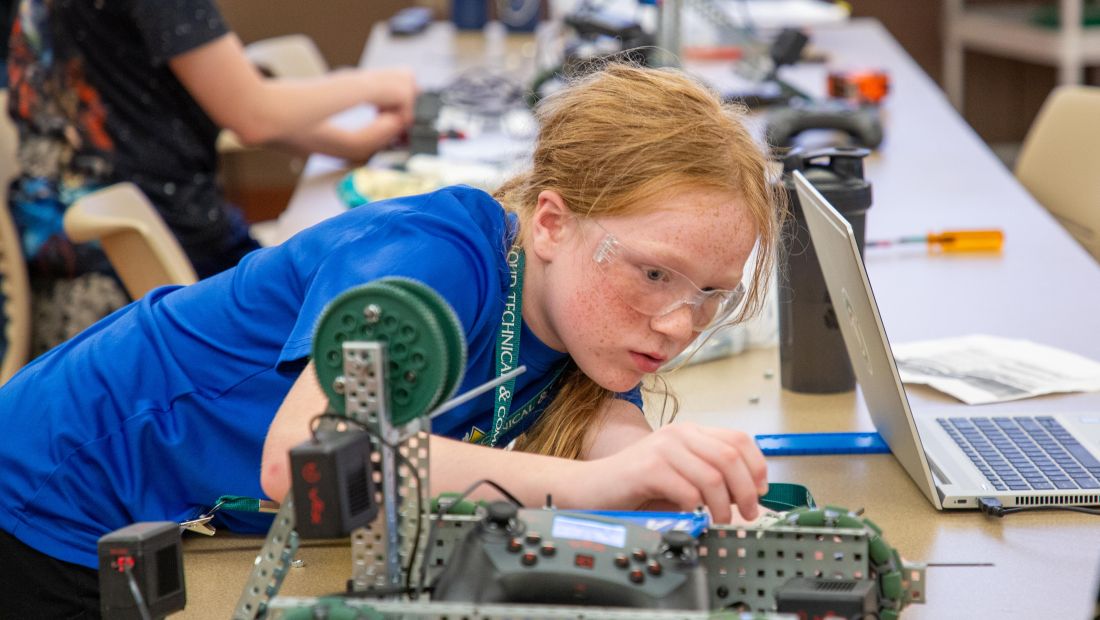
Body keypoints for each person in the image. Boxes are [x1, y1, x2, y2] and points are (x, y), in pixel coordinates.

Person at [0, 63, 782, 615]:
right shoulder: (427, 255)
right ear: (550, 223)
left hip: (179, 527)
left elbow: (609, 437)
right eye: (654, 276)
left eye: (712, 295)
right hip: (56, 494)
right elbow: (303, 460)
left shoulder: (588, 317)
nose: (680, 323)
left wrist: (666, 474)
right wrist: (595, 488)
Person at [5, 0, 417, 355]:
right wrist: (377, 83)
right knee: (382, 295)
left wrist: (349, 144)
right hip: (152, 278)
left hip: (60, 254)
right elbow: (253, 115)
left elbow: (223, 101)